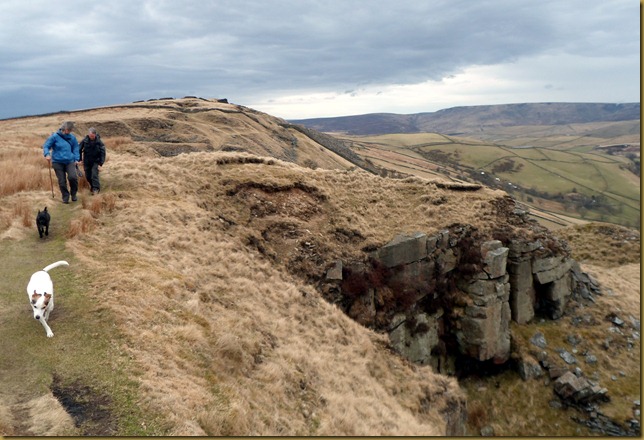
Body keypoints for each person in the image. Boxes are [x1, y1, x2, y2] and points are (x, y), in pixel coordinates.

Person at [43, 121, 80, 203]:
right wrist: (47, 154)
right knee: (62, 181)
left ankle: (73, 194)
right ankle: (65, 197)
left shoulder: (72, 137)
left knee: (73, 177)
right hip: (57, 162)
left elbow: (76, 148)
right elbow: (46, 146)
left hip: (70, 161)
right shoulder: (54, 137)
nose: (69, 132)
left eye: (70, 130)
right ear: (64, 129)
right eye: (68, 130)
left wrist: (76, 159)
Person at [79, 127, 106, 194]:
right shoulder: (84, 141)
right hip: (87, 161)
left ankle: (96, 189)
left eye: (93, 136)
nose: (91, 137)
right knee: (88, 176)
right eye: (90, 136)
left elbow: (103, 152)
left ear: (95, 134)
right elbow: (79, 149)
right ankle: (92, 186)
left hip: (96, 161)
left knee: (94, 175)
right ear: (88, 134)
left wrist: (101, 163)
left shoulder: (99, 142)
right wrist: (79, 159)